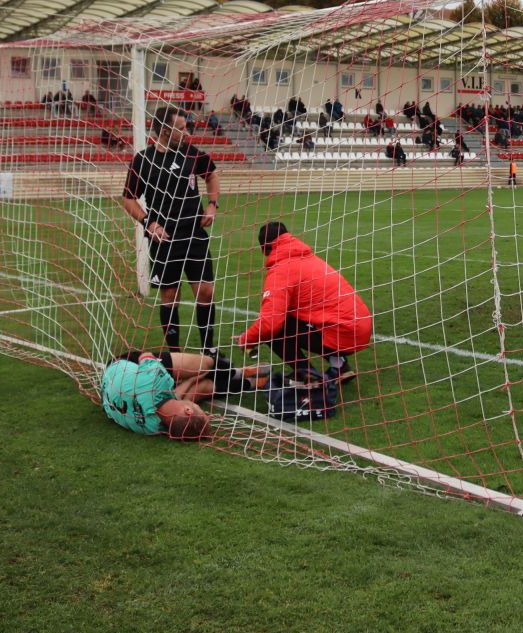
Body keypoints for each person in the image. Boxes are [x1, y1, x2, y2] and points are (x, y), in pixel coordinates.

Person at [122, 106, 220, 353]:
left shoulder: (190, 153)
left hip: (194, 233)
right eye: (181, 128)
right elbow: (128, 199)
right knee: (169, 298)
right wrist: (149, 223)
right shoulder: (142, 161)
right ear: (165, 131)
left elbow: (212, 174)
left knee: (206, 291)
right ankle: (176, 355)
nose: (186, 132)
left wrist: (211, 205)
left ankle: (209, 349)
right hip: (164, 239)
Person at [235, 222, 373, 385]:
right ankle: (340, 366)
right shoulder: (309, 257)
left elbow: (269, 324)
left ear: (264, 250)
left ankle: (306, 374)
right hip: (359, 327)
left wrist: (246, 339)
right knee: (295, 317)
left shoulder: (281, 269)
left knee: (275, 329)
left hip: (342, 332)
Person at [101, 350, 267, 440]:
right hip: (109, 393)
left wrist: (194, 375)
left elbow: (143, 355)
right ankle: (248, 381)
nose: (199, 408)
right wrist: (192, 380)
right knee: (200, 389)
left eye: (201, 411)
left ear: (188, 411)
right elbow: (172, 399)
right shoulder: (154, 427)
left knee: (203, 365)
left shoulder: (156, 380)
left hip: (122, 365)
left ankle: (236, 372)